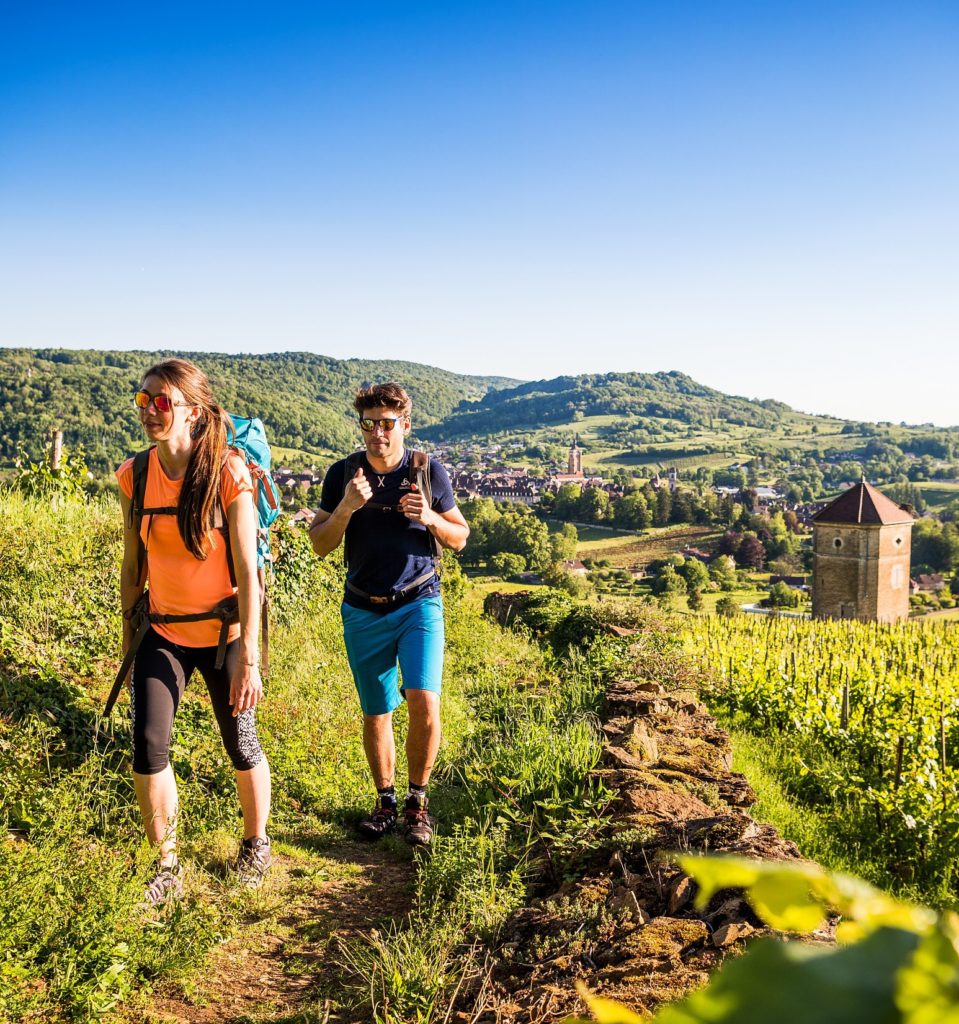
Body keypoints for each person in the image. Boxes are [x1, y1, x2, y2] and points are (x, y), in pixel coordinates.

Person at [116, 358, 272, 905]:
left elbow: (248, 572)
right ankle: (166, 865)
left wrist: (249, 656)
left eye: (163, 401)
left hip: (226, 634)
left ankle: (256, 844)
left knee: (241, 740)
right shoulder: (134, 475)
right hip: (161, 632)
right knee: (148, 745)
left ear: (194, 411)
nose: (151, 410)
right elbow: (132, 564)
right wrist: (127, 638)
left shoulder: (228, 473)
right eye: (144, 400)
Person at [309, 383, 469, 846]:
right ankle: (385, 802)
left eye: (386, 424)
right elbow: (321, 545)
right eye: (369, 424)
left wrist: (431, 518)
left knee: (424, 699)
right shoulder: (343, 473)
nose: (377, 432)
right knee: (377, 711)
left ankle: (418, 804)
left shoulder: (426, 470)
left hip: (420, 601)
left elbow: (460, 537)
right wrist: (345, 508)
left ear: (404, 425)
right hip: (363, 607)